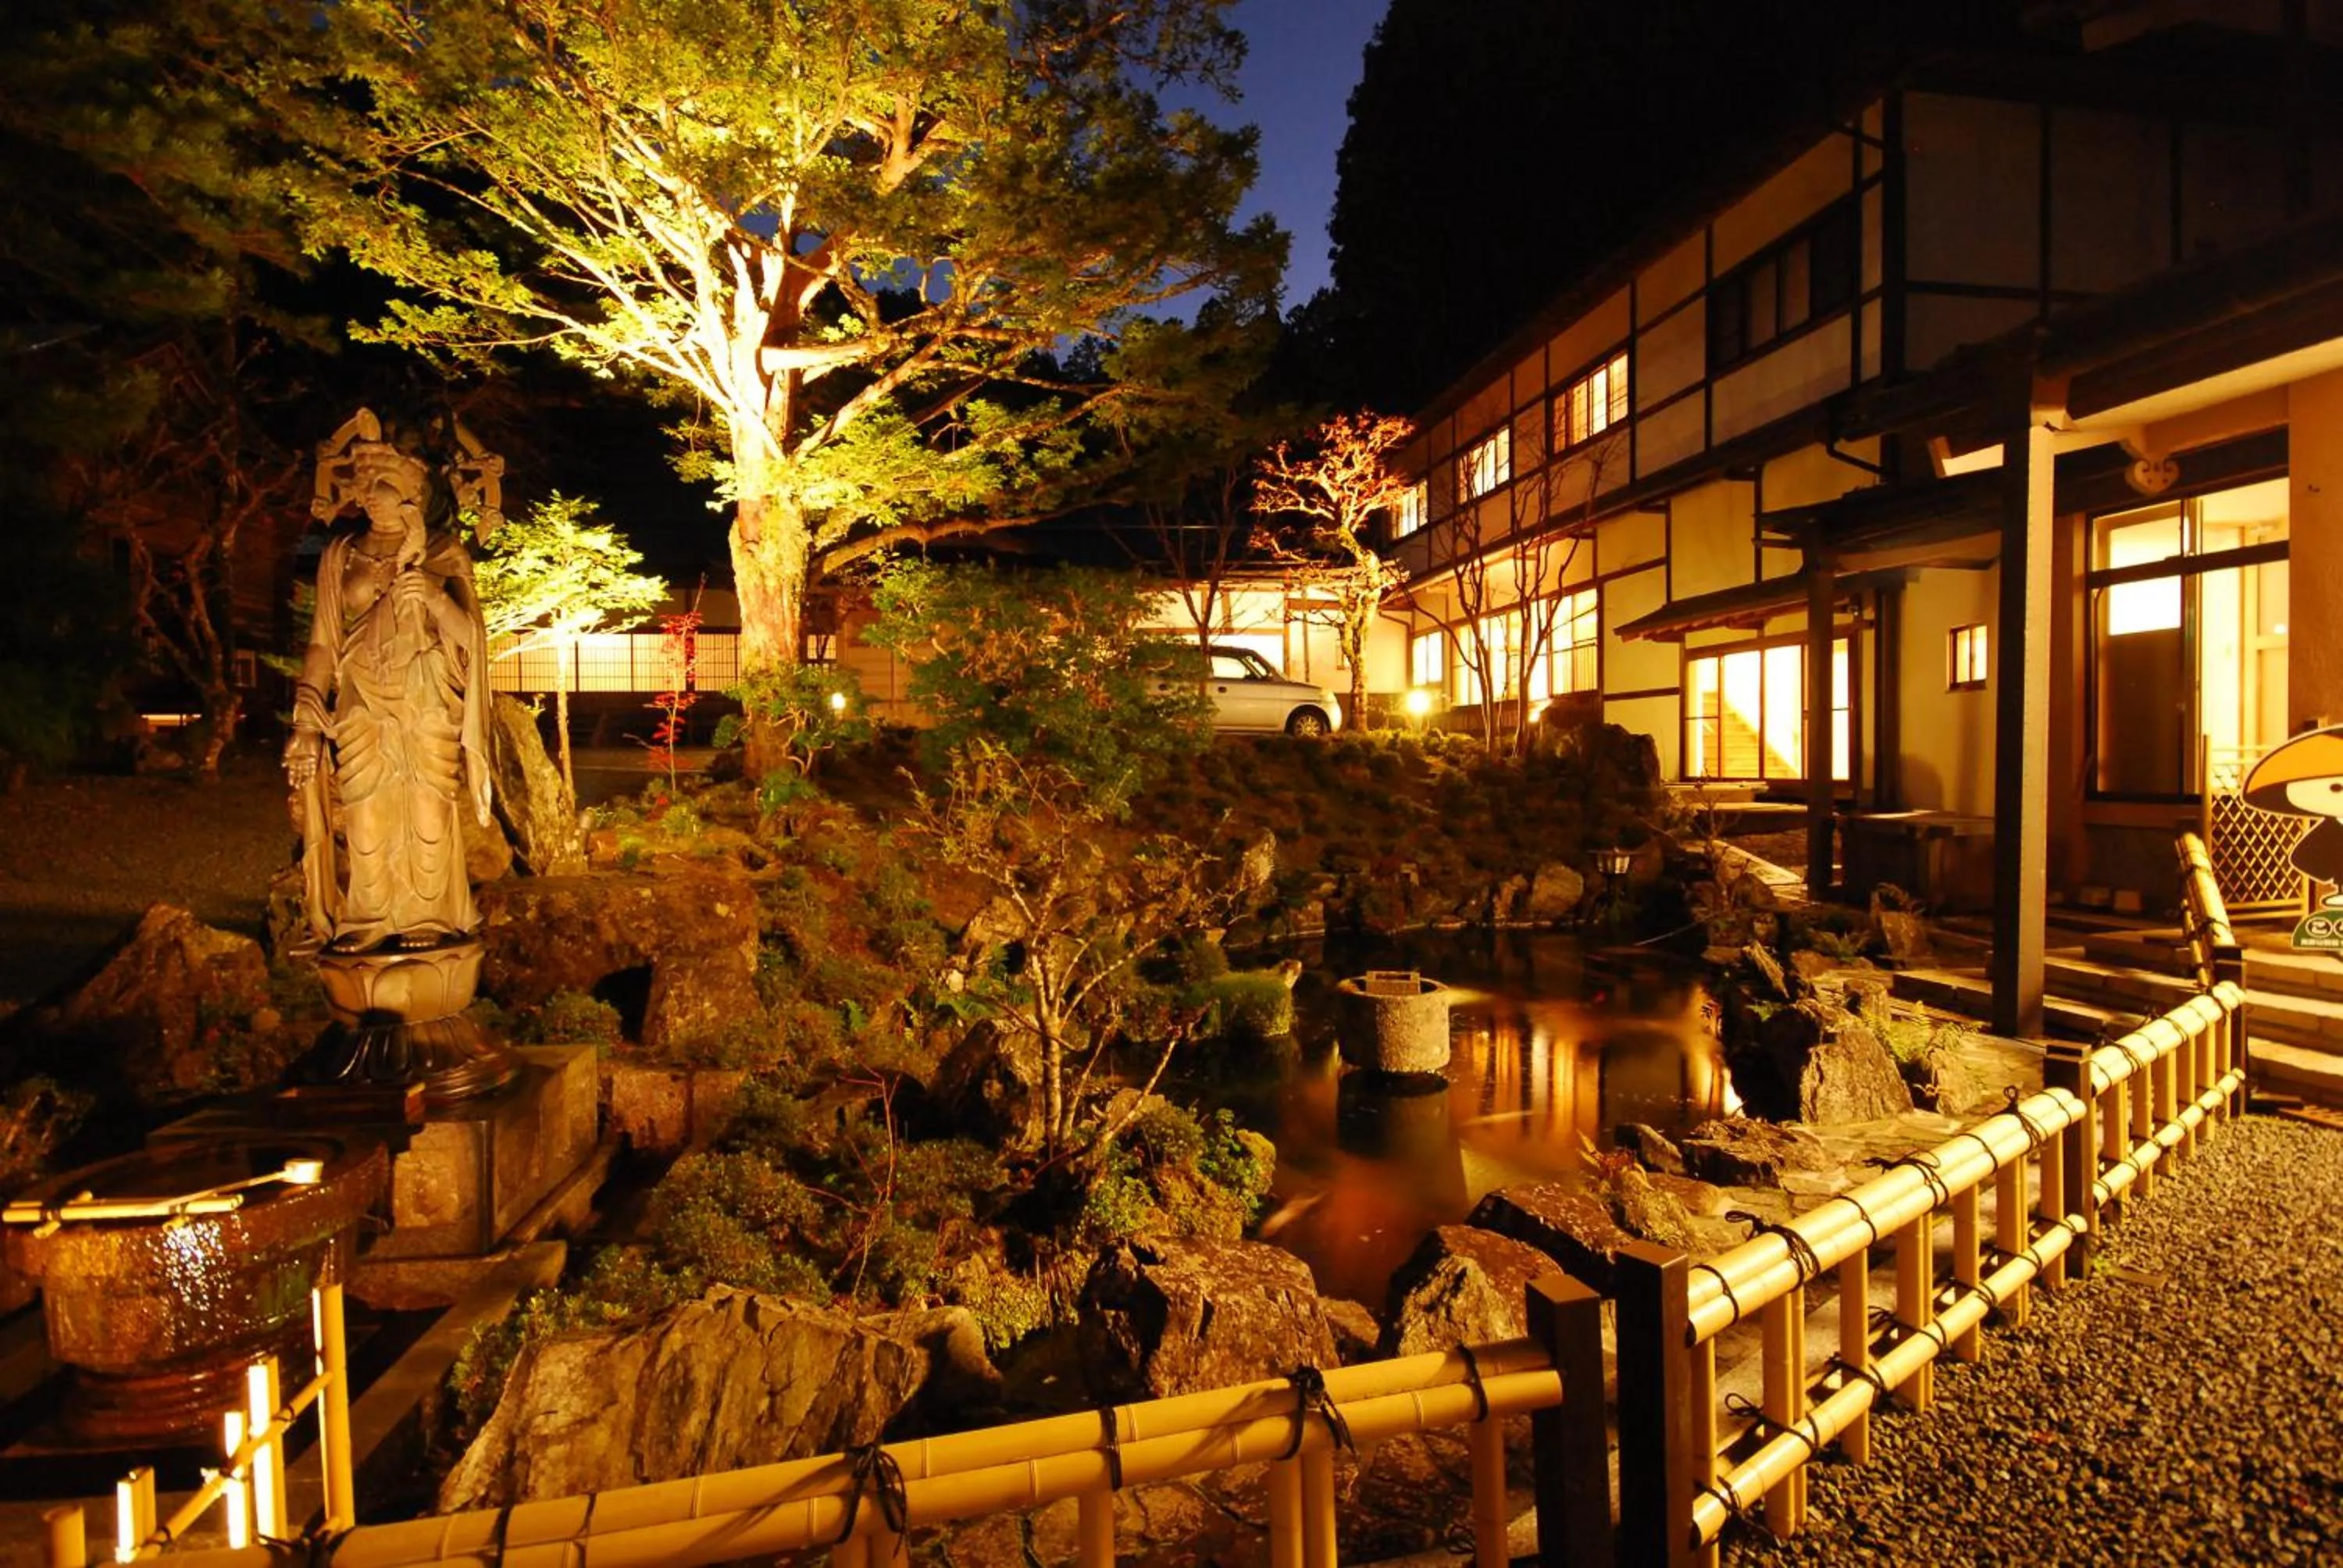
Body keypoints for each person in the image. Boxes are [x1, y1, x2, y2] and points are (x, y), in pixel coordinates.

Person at [284, 455, 493, 953]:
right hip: (361, 693)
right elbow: (321, 645)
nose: (373, 495)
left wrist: (436, 599)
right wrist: (307, 722)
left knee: (427, 802)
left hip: (425, 690)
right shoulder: (340, 554)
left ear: (412, 495)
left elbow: (474, 640)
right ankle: (370, 913)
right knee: (363, 807)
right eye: (367, 485)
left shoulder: (442, 552)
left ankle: (429, 912)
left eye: (386, 484)